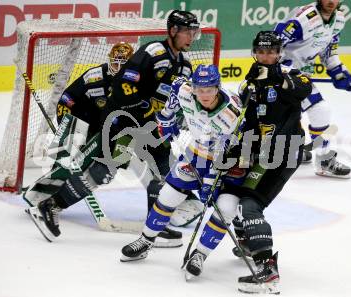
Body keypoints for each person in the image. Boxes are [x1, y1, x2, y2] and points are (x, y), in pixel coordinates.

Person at [26, 10, 202, 246]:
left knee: (163, 167)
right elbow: (124, 86)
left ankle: (155, 225)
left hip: (149, 127)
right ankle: (51, 205)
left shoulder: (184, 65)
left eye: (194, 32)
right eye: (187, 32)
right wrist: (145, 112)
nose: (191, 36)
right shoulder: (152, 53)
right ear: (173, 31)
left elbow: (173, 100)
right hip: (124, 122)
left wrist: (174, 118)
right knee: (104, 171)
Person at [119, 65, 244, 281]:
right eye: (199, 89)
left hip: (229, 160)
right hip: (196, 153)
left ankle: (201, 255)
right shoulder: (184, 90)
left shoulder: (230, 115)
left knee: (224, 209)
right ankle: (147, 240)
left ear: (218, 88)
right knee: (168, 195)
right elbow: (171, 101)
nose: (204, 94)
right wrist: (166, 121)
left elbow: (221, 154)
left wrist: (209, 182)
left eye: (209, 89)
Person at [229, 31, 312, 294]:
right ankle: (246, 238)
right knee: (232, 187)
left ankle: (267, 268)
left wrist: (276, 78)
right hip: (262, 152)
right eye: (261, 51)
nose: (266, 56)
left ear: (279, 53)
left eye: (271, 51)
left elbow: (304, 88)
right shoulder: (249, 84)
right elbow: (248, 123)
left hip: (285, 151)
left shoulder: (290, 72)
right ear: (255, 52)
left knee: (250, 203)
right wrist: (241, 155)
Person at [273, 0, 351, 178]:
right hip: (283, 75)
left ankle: (292, 150)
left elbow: (328, 51)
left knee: (293, 114)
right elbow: (272, 43)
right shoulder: (305, 18)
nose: (331, 1)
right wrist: (283, 67)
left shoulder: (338, 19)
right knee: (320, 109)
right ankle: (324, 161)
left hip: (300, 75)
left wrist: (338, 71)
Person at [55, 42, 134, 137]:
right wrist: (66, 126)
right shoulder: (94, 76)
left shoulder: (135, 79)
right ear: (110, 61)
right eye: (115, 64)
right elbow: (66, 97)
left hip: (103, 119)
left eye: (123, 65)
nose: (118, 69)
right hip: (83, 118)